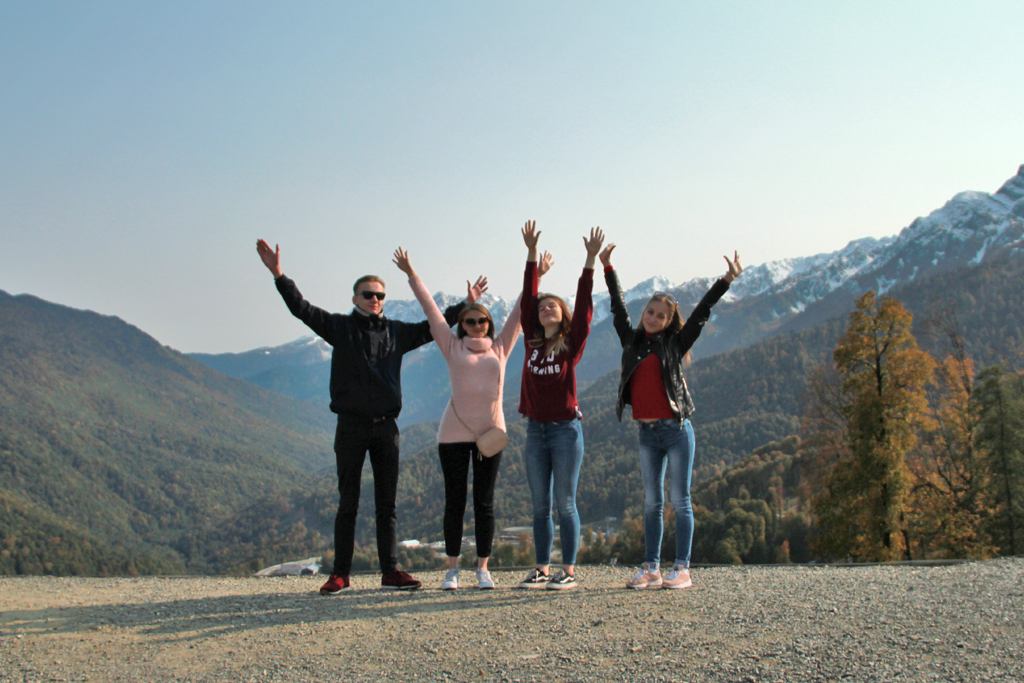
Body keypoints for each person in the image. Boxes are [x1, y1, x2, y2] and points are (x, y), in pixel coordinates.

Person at [255, 239, 484, 593]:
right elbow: (301, 309)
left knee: (386, 506)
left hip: (387, 429)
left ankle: (390, 572)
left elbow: (432, 326)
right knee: (347, 504)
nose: (375, 299)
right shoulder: (339, 328)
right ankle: (340, 574)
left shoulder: (396, 332)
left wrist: (465, 305)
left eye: (379, 295)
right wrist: (278, 274)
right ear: (355, 298)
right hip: (350, 426)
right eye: (368, 294)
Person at [392, 246, 549, 590]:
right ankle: (452, 570)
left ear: (489, 323)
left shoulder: (501, 347)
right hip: (453, 434)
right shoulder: (451, 346)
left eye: (482, 321)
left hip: (491, 434)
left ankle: (482, 569)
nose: (477, 325)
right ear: (462, 325)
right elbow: (431, 311)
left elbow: (520, 311)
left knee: (484, 503)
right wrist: (411, 274)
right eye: (470, 321)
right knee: (454, 502)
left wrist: (536, 276)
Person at [601, 244, 743, 589]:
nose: (653, 318)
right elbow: (618, 306)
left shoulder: (676, 344)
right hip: (647, 434)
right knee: (652, 503)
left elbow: (702, 312)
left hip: (677, 430)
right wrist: (607, 267)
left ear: (668, 321)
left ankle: (682, 568)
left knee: (681, 501)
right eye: (650, 312)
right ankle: (651, 568)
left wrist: (726, 280)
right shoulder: (631, 339)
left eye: (660, 316)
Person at [516, 221, 605, 590]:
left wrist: (590, 261)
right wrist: (531, 254)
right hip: (534, 431)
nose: (544, 308)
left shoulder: (571, 344)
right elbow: (527, 298)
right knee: (540, 506)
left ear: (562, 313)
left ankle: (567, 570)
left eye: (552, 305)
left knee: (565, 503)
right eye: (542, 307)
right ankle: (541, 568)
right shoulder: (532, 342)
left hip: (565, 431)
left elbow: (584, 308)